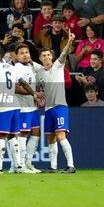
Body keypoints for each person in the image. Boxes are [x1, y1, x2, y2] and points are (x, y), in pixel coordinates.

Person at [0, 47, 43, 174]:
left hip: (3, 106)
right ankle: (19, 166)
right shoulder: (11, 67)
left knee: (0, 136)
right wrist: (34, 94)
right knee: (12, 136)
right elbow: (24, 83)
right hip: (16, 106)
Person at [35, 29, 76, 173]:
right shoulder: (40, 74)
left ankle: (71, 165)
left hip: (60, 106)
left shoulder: (58, 66)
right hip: (48, 109)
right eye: (44, 55)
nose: (46, 57)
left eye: (48, 55)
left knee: (60, 136)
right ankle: (53, 167)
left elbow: (64, 53)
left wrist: (70, 41)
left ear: (52, 57)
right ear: (40, 58)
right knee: (50, 139)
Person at [13, 43, 42, 173]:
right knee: (23, 134)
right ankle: (20, 165)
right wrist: (33, 94)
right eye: (22, 53)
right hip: (22, 107)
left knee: (36, 133)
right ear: (16, 56)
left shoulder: (29, 66)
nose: (25, 55)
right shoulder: (18, 68)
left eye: (27, 52)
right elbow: (16, 88)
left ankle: (28, 162)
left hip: (31, 106)